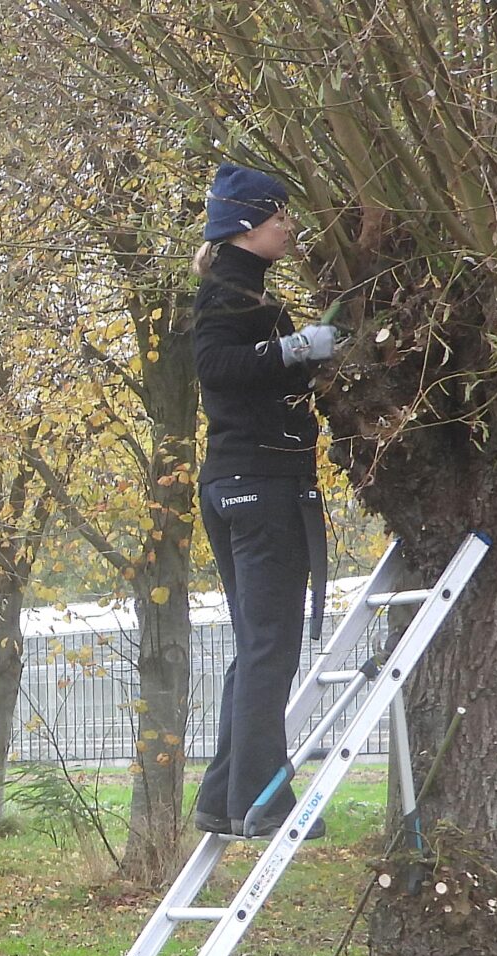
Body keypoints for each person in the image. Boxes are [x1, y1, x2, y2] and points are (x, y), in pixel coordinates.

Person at [190, 163, 341, 841]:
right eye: (281, 217)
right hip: (260, 485)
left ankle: (224, 795)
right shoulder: (228, 290)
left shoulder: (239, 287)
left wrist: (299, 354)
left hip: (234, 484)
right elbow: (217, 366)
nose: (290, 227)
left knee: (256, 644)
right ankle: (263, 801)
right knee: (271, 645)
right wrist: (291, 348)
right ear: (249, 224)